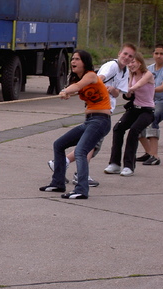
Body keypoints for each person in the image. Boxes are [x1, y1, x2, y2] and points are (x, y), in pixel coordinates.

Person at [48, 43, 136, 186]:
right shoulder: (111, 66)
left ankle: (79, 181)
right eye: (125, 54)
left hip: (101, 117)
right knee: (78, 146)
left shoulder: (120, 71)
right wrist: (70, 91)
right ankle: (66, 176)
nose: (127, 57)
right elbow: (91, 81)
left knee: (86, 148)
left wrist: (71, 90)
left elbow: (103, 86)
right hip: (95, 118)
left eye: (130, 56)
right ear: (119, 53)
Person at [40, 49, 111, 199]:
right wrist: (66, 93)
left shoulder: (91, 75)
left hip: (100, 120)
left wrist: (66, 90)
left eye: (77, 59)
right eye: (72, 59)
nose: (73, 62)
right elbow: (74, 89)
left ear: (85, 62)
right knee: (59, 144)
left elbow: (77, 87)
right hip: (89, 120)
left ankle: (81, 189)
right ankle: (58, 183)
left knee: (80, 151)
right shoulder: (76, 79)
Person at [104, 52, 155, 177]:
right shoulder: (130, 74)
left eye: (133, 62)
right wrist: (125, 92)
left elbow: (139, 85)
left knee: (133, 131)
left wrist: (128, 89)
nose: (131, 65)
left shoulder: (147, 74)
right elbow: (127, 94)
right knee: (118, 128)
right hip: (134, 109)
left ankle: (128, 166)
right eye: (129, 62)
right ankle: (115, 164)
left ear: (140, 62)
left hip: (147, 110)